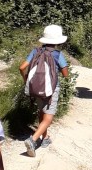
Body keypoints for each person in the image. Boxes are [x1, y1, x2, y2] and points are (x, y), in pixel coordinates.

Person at [19, 24, 69, 157]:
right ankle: (32, 140)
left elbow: (22, 67)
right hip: (51, 90)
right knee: (48, 118)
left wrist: (26, 81)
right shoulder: (58, 55)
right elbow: (65, 74)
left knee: (42, 112)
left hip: (35, 88)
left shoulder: (36, 51)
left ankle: (45, 138)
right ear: (58, 41)